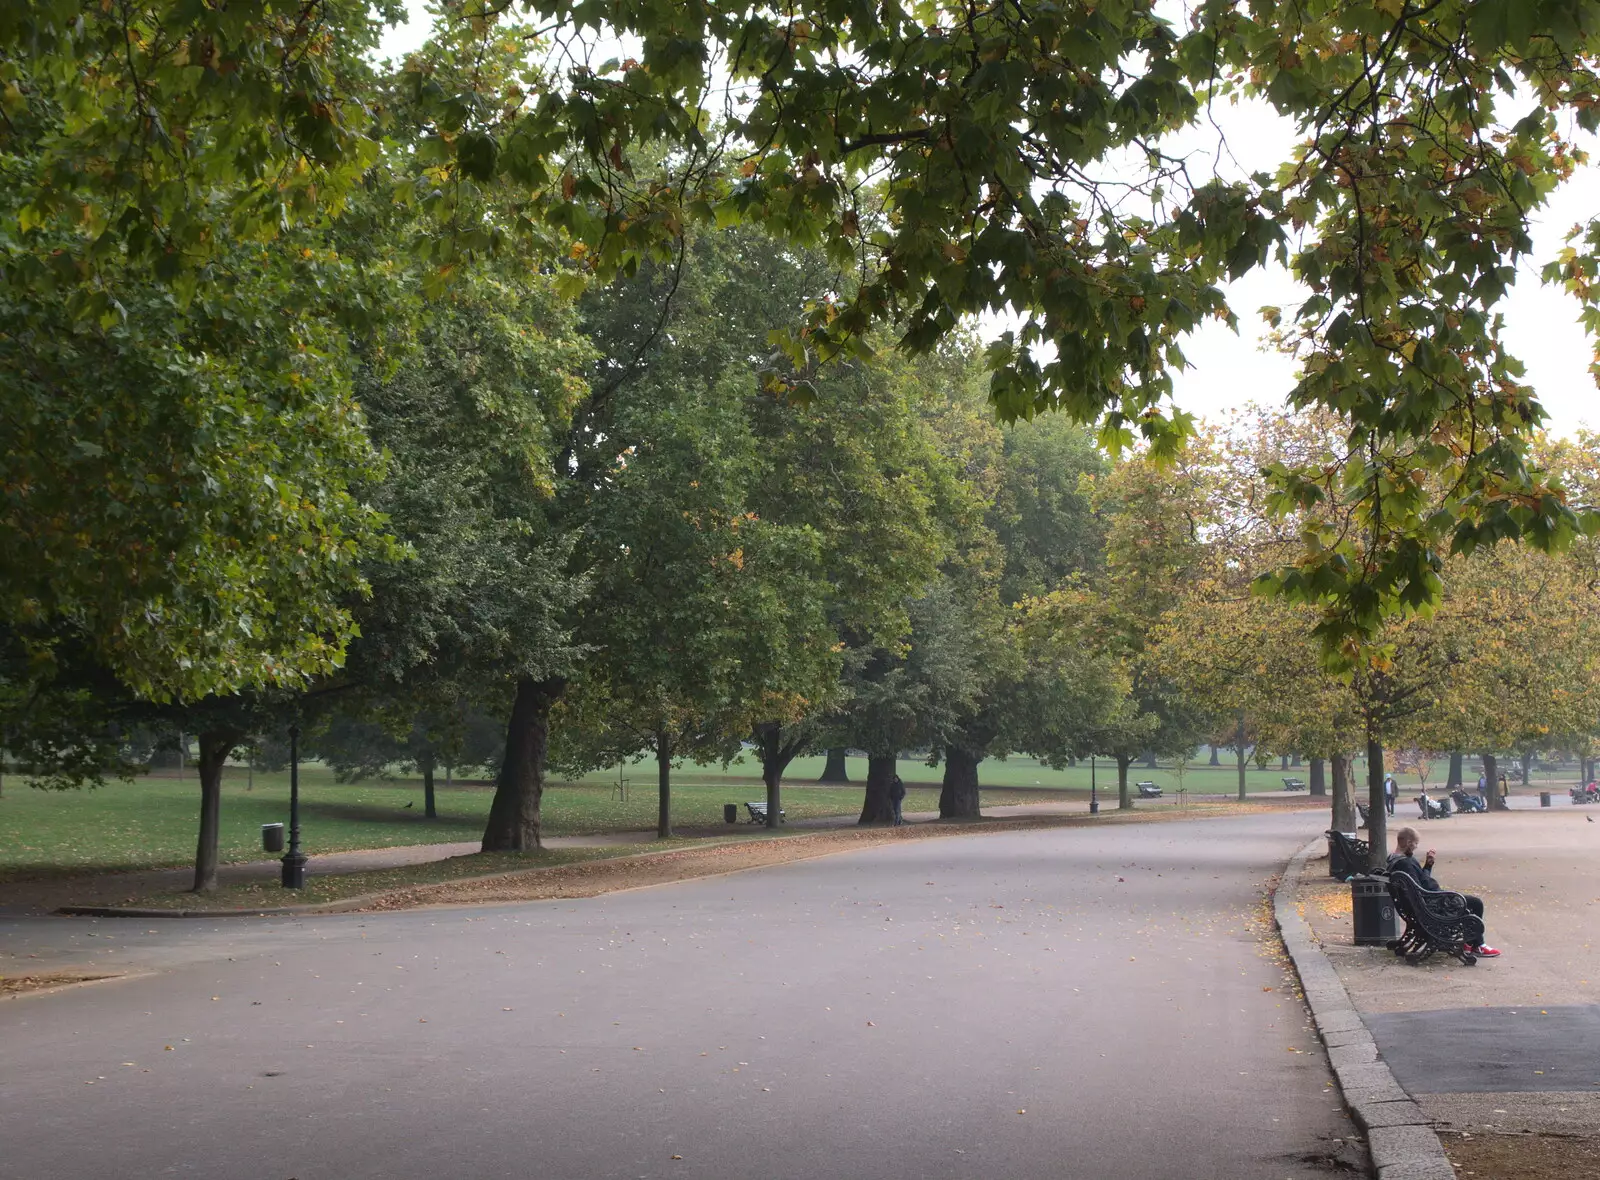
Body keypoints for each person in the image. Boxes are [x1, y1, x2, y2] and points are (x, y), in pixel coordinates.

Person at [1387, 827, 1501, 957]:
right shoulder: (1406, 863)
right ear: (1408, 842)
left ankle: (1469, 944)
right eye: (1415, 843)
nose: (1416, 847)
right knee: (1475, 903)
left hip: (1425, 904)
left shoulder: (1394, 860)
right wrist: (1443, 896)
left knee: (1470, 902)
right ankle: (1477, 945)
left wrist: (1428, 866)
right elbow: (1420, 890)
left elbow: (1419, 884)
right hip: (1432, 905)